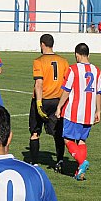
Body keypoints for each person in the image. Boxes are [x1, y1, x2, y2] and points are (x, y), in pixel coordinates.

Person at [54, 43, 101, 181]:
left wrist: (59, 107)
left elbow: (66, 90)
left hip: (73, 112)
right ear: (88, 54)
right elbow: (99, 92)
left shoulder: (73, 69)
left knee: (67, 139)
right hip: (88, 113)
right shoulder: (97, 70)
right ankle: (79, 172)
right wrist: (98, 110)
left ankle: (82, 163)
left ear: (77, 54)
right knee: (81, 140)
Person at [29, 34, 69, 168]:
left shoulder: (38, 61)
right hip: (58, 101)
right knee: (58, 133)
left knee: (35, 132)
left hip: (43, 100)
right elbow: (67, 83)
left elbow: (39, 84)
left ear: (42, 44)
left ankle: (34, 163)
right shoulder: (63, 61)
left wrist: (39, 103)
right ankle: (60, 160)